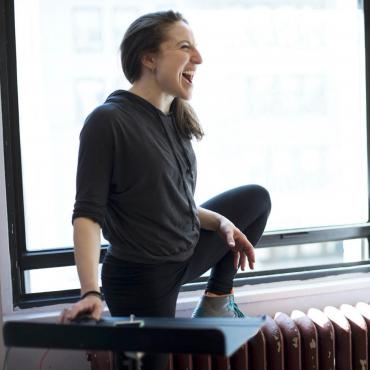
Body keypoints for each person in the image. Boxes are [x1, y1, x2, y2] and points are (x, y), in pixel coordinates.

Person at [60, 10, 271, 369]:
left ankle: (216, 301)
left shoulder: (175, 119)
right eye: (185, 47)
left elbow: (171, 202)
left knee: (255, 200)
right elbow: (87, 216)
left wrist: (220, 223)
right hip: (140, 280)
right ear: (149, 58)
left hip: (183, 254)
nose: (199, 59)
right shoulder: (108, 121)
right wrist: (90, 291)